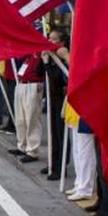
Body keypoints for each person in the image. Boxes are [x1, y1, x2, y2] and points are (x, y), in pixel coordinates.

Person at [41, 29, 70, 181]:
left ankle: (61, 167)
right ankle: (53, 163)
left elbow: (56, 79)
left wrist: (47, 64)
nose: (50, 41)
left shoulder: (64, 58)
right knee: (52, 133)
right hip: (51, 99)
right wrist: (44, 59)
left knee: (60, 133)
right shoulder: (51, 56)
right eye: (49, 38)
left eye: (53, 39)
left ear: (62, 42)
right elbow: (41, 74)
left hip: (61, 99)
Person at [8, 54, 45, 163]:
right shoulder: (29, 55)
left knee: (31, 118)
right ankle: (22, 145)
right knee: (20, 118)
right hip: (21, 83)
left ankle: (32, 151)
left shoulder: (41, 54)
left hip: (32, 85)